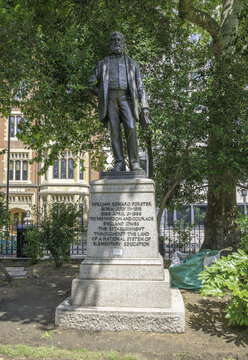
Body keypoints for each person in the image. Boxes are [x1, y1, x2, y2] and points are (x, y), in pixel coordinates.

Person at [89, 31, 149, 172]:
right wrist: (103, 93)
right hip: (109, 98)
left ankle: (134, 163)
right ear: (110, 44)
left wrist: (144, 106)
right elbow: (91, 83)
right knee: (114, 131)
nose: (117, 42)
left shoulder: (133, 64)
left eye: (119, 40)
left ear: (124, 43)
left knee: (131, 128)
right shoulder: (103, 63)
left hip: (126, 98)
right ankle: (119, 163)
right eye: (114, 40)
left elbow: (140, 86)